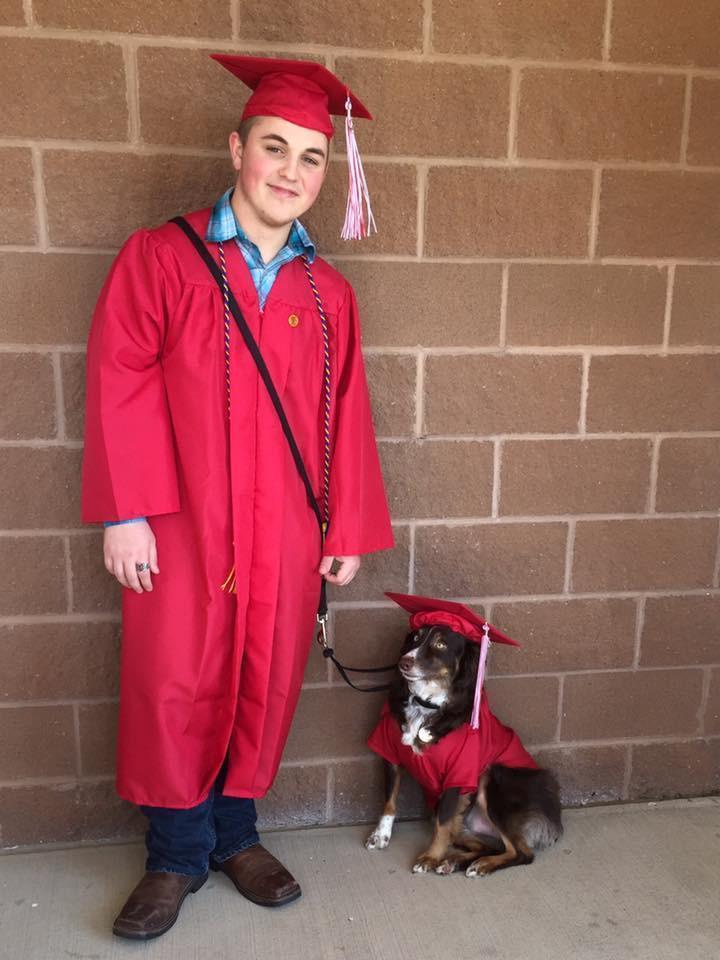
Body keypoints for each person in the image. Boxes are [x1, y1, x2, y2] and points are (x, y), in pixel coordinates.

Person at [81, 55, 393, 941]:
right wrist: (125, 513)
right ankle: (175, 854)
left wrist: (345, 526)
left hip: (284, 528)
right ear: (237, 149)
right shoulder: (163, 258)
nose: (291, 171)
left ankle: (234, 836)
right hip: (180, 526)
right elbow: (120, 381)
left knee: (264, 674)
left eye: (311, 157)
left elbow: (346, 414)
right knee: (176, 677)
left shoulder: (327, 294)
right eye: (274, 148)